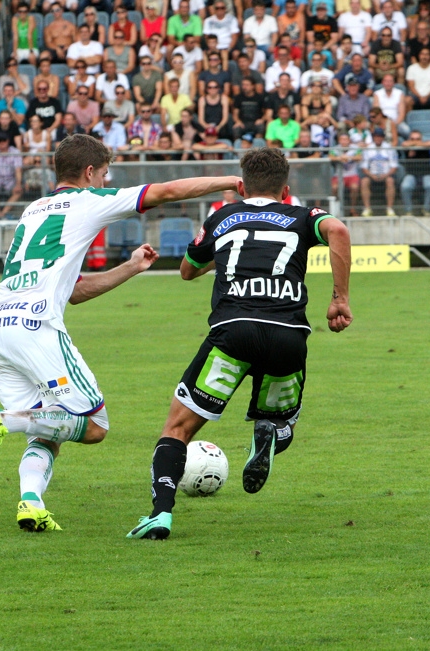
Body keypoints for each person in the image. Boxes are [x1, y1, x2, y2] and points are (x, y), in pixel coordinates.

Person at [0, 134, 242, 532]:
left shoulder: (32, 209)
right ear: (88, 172)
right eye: (103, 174)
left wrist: (130, 268)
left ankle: (30, 502)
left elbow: (75, 292)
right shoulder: (89, 200)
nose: (105, 181)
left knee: (48, 423)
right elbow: (164, 192)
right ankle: (3, 419)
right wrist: (227, 181)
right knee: (95, 426)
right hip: (35, 327)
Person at [126, 147, 352, 540]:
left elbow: (186, 271)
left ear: (242, 186)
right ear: (286, 190)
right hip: (289, 336)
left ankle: (160, 514)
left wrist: (229, 251)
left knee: (176, 429)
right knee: (280, 422)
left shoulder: (222, 216)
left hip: (234, 331)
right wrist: (339, 298)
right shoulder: (302, 216)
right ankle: (269, 432)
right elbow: (339, 231)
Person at [360, 127, 398, 216]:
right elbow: (364, 167)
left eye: (380, 136)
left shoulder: (389, 148)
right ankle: (367, 208)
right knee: (364, 181)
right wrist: (371, 175)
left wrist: (385, 175)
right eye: (376, 136)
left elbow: (394, 166)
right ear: (373, 137)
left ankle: (389, 209)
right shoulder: (368, 148)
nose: (378, 138)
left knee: (390, 181)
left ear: (383, 137)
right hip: (371, 174)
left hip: (386, 174)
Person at [400, 130, 430, 216]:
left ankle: (426, 209)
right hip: (411, 174)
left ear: (421, 139)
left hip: (426, 173)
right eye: (413, 139)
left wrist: (415, 145)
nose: (415, 141)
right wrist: (413, 146)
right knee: (405, 186)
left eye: (417, 139)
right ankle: (408, 210)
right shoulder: (407, 147)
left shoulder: (425, 145)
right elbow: (403, 144)